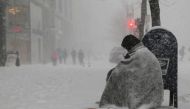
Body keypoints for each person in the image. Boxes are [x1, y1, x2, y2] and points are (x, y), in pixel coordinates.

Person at [99, 34, 164, 109]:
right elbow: (132, 69)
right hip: (154, 94)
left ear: (130, 46)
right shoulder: (143, 51)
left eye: (126, 48)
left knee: (115, 75)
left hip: (148, 97)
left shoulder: (140, 54)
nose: (127, 50)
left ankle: (112, 101)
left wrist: (115, 72)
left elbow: (126, 69)